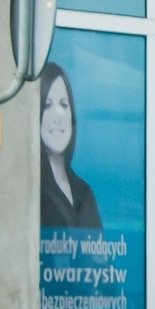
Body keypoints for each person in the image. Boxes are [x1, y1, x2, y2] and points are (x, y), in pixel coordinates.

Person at [39, 61, 103, 229]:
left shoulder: (84, 192)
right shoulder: (32, 188)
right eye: (47, 105)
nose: (58, 116)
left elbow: (98, 251)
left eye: (63, 104)